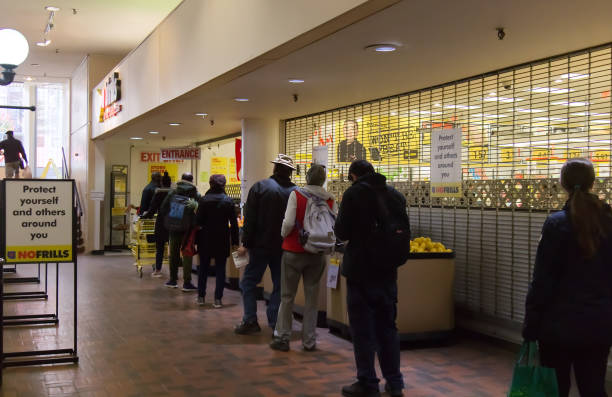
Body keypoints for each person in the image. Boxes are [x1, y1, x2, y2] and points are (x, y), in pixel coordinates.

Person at [522, 158, 612, 397]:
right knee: (594, 387)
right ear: (593, 183)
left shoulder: (555, 224)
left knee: (555, 388)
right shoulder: (608, 222)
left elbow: (542, 280)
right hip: (599, 323)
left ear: (563, 184)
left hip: (557, 326)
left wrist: (531, 325)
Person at [335, 160, 408, 397]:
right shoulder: (395, 195)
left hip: (361, 272)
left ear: (354, 176)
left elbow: (342, 232)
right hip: (387, 273)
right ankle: (395, 383)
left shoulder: (354, 194)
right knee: (388, 327)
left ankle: (367, 381)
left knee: (363, 329)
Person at [270, 164, 337, 352]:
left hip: (293, 251)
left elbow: (288, 223)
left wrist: (284, 235)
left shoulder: (297, 194)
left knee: (287, 297)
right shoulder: (330, 199)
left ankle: (283, 337)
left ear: (307, 177)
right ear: (323, 179)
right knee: (311, 299)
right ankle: (309, 340)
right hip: (317, 254)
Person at [234, 154, 297, 335]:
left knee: (248, 282)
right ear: (290, 172)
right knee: (280, 284)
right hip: (284, 246)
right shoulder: (295, 192)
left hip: (260, 245)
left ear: (275, 168)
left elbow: (250, 219)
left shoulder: (260, 187)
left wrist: (245, 243)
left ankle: (250, 320)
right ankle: (275, 321)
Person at [195, 174, 239, 308]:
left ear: (210, 184)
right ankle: (217, 299)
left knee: (203, 268)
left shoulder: (203, 200)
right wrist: (235, 241)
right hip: (222, 238)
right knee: (221, 269)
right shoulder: (228, 201)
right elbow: (234, 224)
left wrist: (196, 241)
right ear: (223, 185)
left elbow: (197, 222)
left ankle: (201, 297)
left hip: (205, 238)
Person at [159, 172, 199, 291]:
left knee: (174, 253)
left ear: (181, 180)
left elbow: (163, 209)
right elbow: (201, 210)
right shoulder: (195, 194)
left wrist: (170, 219)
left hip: (174, 227)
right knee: (187, 253)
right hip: (188, 229)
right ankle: (187, 282)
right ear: (192, 180)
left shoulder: (173, 192)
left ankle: (172, 280)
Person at [141, 172, 172, 277]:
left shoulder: (159, 193)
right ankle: (174, 273)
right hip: (174, 223)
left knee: (160, 248)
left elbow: (152, 209)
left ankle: (158, 270)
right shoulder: (175, 193)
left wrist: (145, 216)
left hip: (161, 223)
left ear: (162, 182)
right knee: (173, 248)